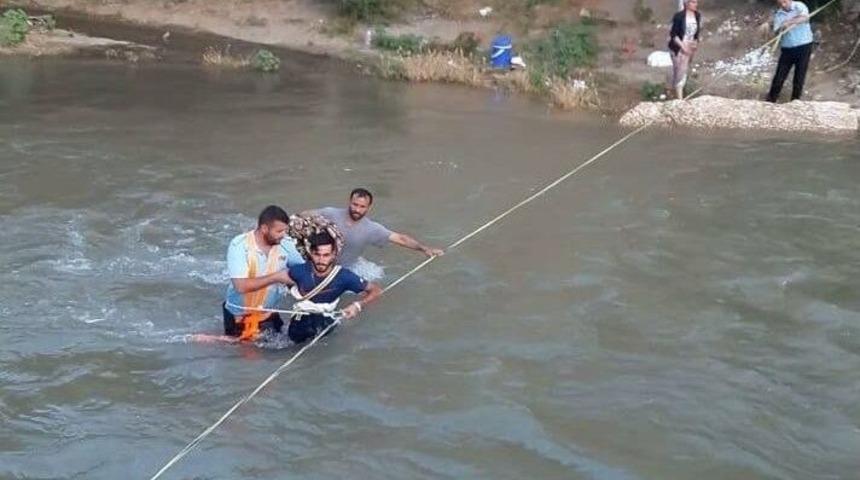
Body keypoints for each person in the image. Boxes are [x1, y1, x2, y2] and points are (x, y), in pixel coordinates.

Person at [305, 188, 444, 268]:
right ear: (349, 202)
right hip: (318, 263)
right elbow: (304, 215)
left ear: (369, 208)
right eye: (355, 204)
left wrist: (424, 249)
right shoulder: (330, 213)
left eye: (362, 206)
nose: (357, 209)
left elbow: (400, 238)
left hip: (345, 268)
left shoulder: (371, 229)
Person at [284, 231, 382, 344]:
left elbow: (376, 290)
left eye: (326, 255)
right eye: (317, 255)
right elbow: (271, 279)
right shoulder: (299, 271)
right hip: (300, 320)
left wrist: (357, 305)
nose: (321, 260)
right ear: (311, 253)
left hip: (326, 320)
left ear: (334, 254)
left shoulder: (344, 276)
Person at [223, 205, 304, 341]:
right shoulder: (239, 245)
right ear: (264, 229)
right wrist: (277, 277)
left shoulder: (286, 244)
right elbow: (240, 286)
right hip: (239, 316)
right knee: (244, 356)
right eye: (279, 231)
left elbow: (303, 271)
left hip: (268, 314)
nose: (283, 235)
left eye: (285, 231)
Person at [767, 0, 814, 103]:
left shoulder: (799, 6)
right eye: (780, 3)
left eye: (784, 2)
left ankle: (795, 102)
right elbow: (777, 32)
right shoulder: (778, 14)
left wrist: (789, 22)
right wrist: (782, 28)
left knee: (799, 77)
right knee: (779, 77)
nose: (783, 5)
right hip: (787, 49)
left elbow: (805, 17)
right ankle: (770, 100)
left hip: (804, 46)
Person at [669, 0, 702, 100]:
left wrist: (695, 42)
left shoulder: (697, 15)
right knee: (679, 72)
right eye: (692, 2)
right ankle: (678, 98)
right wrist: (683, 47)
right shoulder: (679, 16)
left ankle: (678, 95)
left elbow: (697, 32)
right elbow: (673, 34)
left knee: (684, 70)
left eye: (696, 2)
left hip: (690, 45)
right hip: (679, 46)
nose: (695, 4)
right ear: (686, 3)